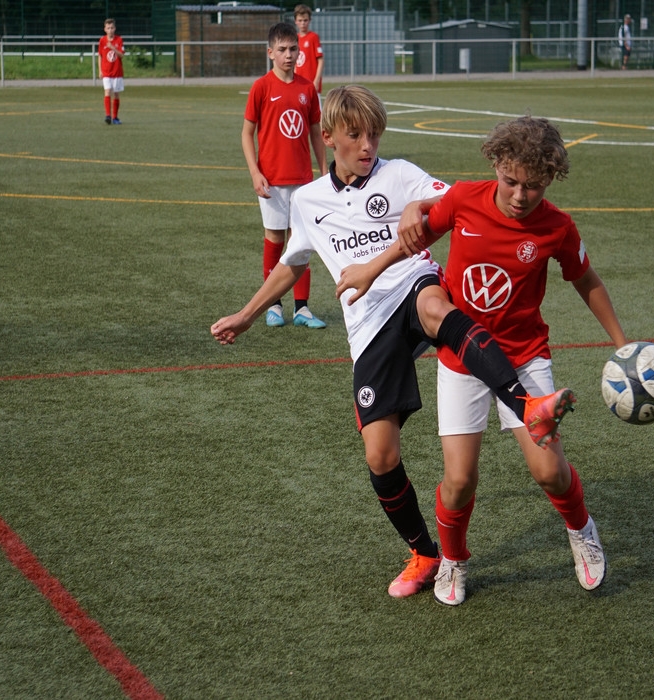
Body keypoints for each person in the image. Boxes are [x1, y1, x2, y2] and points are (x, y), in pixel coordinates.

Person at [213, 85, 576, 600]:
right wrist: (247, 315)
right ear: (329, 136)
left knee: (436, 307)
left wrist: (418, 205)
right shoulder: (310, 201)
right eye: (356, 135)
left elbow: (460, 199)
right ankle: (426, 553)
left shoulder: (399, 173)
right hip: (367, 324)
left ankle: (526, 404)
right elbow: (293, 263)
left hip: (412, 284)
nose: (368, 146)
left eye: (375, 135)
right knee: (380, 456)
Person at [336, 115, 627, 606]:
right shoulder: (464, 199)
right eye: (511, 181)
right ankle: (453, 559)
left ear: (550, 180)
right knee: (459, 480)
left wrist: (621, 343)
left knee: (549, 471)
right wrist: (371, 268)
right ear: (495, 165)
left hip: (525, 357)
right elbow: (416, 237)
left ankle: (581, 529)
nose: (520, 195)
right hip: (460, 359)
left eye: (533, 186)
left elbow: (586, 279)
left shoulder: (557, 227)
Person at [241, 22, 328, 329]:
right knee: (275, 240)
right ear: (270, 53)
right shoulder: (261, 87)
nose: (288, 55)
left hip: (303, 180)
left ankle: (302, 308)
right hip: (272, 181)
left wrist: (324, 172)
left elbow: (316, 133)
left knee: (301, 242)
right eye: (282, 50)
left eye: (293, 49)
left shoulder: (307, 89)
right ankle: (273, 304)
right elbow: (246, 133)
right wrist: (255, 173)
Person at [99, 18, 125, 125]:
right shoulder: (102, 40)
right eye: (108, 28)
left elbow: (122, 55)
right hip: (106, 72)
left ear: (115, 28)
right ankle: (108, 116)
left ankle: (115, 117)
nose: (110, 30)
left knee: (116, 94)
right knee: (107, 91)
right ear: (105, 29)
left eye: (112, 28)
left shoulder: (119, 40)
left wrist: (113, 48)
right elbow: (100, 56)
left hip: (117, 72)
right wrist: (100, 70)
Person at [294, 4, 324, 95]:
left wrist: (316, 80)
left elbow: (321, 60)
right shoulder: (294, 39)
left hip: (311, 83)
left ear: (309, 20)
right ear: (295, 21)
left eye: (305, 20)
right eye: (300, 20)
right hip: (298, 82)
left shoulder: (313, 37)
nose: (303, 23)